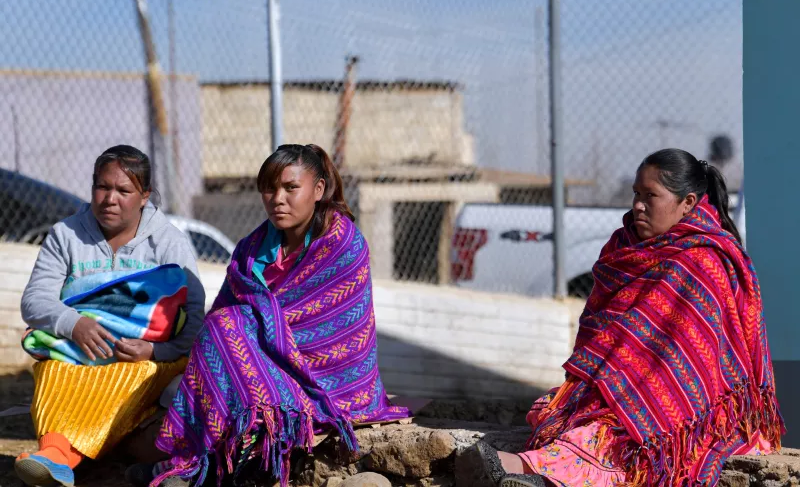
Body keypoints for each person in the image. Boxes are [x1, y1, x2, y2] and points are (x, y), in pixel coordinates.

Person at [478, 149, 784, 487]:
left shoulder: (702, 262)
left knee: (619, 436)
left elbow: (685, 361)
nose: (638, 205)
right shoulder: (621, 248)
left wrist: (630, 394)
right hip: (617, 387)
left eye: (651, 196)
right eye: (636, 193)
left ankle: (527, 472)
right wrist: (611, 387)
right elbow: (606, 333)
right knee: (557, 414)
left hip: (685, 406)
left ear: (687, 203)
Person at [130, 144, 409, 487]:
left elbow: (329, 330)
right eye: (269, 189)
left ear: (318, 189)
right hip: (262, 365)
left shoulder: (342, 244)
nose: (278, 199)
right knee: (222, 329)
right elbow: (225, 318)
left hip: (328, 381)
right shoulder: (251, 249)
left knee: (230, 330)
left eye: (291, 188)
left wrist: (251, 330)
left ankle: (196, 466)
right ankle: (200, 463)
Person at [15, 145, 205, 487]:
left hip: (143, 364)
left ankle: (81, 455)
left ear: (144, 196)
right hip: (80, 358)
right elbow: (35, 300)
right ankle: (56, 456)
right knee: (54, 369)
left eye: (123, 191)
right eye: (102, 187)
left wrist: (155, 351)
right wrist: (75, 324)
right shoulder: (66, 235)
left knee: (145, 390)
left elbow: (193, 318)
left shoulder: (168, 244)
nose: (110, 199)